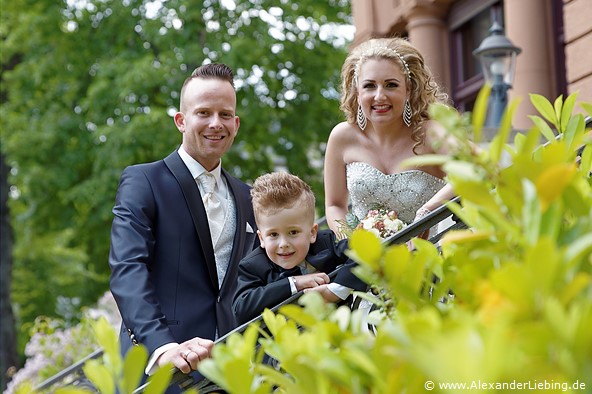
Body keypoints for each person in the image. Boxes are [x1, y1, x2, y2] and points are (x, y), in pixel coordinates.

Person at [108, 63, 259, 387]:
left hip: (230, 370)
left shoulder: (248, 196)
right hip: (162, 369)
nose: (215, 124)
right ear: (181, 120)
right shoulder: (143, 181)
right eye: (203, 113)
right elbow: (127, 269)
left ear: (236, 123)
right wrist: (162, 347)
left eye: (225, 114)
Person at [324, 37, 457, 238]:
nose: (379, 96)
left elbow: (478, 167)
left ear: (408, 90)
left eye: (391, 85)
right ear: (357, 92)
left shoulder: (432, 133)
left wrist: (427, 212)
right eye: (369, 86)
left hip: (422, 259)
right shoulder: (342, 137)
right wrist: (351, 243)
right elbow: (334, 205)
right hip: (365, 264)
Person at [233, 172, 368, 324]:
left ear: (312, 233)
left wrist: (335, 291)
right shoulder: (253, 266)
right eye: (273, 234)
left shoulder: (324, 244)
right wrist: (295, 283)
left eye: (293, 232)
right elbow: (241, 308)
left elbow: (363, 251)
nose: (283, 243)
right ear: (261, 239)